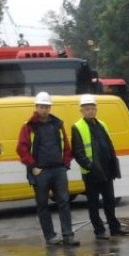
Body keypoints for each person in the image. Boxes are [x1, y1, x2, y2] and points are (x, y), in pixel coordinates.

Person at [17, 91, 79, 246]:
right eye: (42, 106)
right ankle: (50, 237)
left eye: (47, 107)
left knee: (64, 202)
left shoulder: (58, 124)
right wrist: (33, 167)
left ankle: (68, 235)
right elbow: (21, 149)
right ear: (36, 107)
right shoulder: (28, 127)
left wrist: (65, 164)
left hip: (58, 170)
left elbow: (66, 145)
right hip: (41, 172)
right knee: (43, 205)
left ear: (50, 107)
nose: (44, 109)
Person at [70, 94, 129, 240]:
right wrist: (91, 167)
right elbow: (78, 153)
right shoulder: (77, 127)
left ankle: (114, 228)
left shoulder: (102, 124)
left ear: (96, 109)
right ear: (82, 110)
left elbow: (108, 146)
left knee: (109, 201)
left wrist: (112, 165)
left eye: (92, 108)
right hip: (92, 173)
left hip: (106, 170)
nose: (90, 111)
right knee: (93, 203)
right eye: (87, 109)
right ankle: (99, 231)